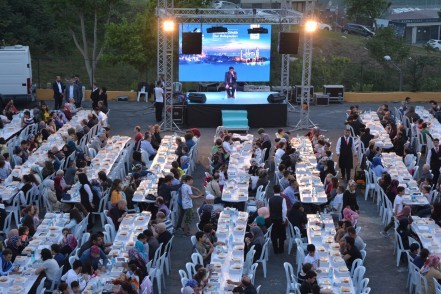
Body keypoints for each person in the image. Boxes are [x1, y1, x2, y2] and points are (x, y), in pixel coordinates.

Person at [268, 184, 287, 254]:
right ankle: (281, 249)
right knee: (281, 235)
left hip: (273, 219)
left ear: (273, 191)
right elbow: (284, 210)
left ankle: (275, 250)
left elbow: (269, 210)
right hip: (280, 219)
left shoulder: (270, 199)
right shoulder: (283, 199)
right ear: (280, 191)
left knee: (274, 236)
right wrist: (284, 219)